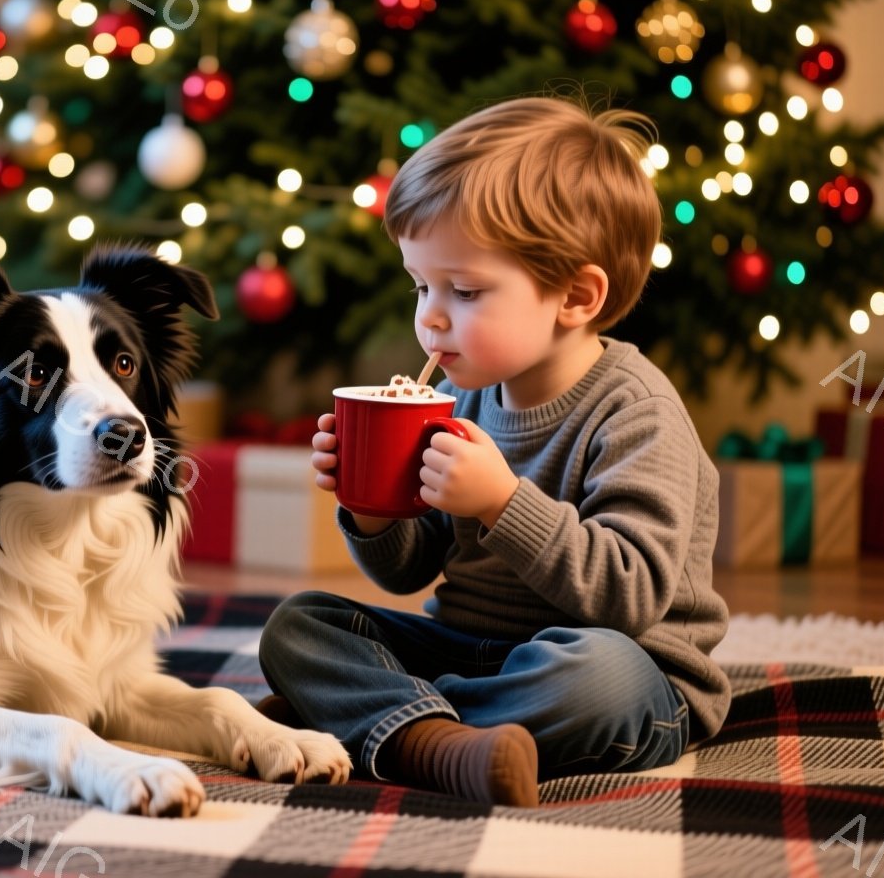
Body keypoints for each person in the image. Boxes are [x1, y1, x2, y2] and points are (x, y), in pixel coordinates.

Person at [256, 96, 731, 809]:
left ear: (576, 295)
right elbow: (412, 569)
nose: (430, 317)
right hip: (470, 647)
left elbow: (629, 596)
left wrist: (503, 502)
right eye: (421, 285)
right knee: (300, 625)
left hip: (624, 668)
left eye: (465, 290)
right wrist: (373, 513)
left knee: (598, 676)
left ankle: (385, 719)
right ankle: (434, 735)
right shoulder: (466, 395)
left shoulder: (637, 412)